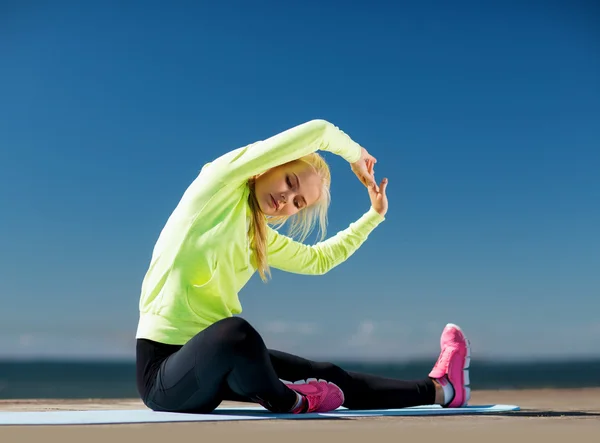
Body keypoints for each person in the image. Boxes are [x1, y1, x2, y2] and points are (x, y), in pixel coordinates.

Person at [135, 119, 471, 414]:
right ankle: (291, 401)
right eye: (290, 181)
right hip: (163, 375)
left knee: (327, 374)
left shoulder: (260, 237)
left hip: (217, 366)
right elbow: (320, 131)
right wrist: (355, 155)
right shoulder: (219, 184)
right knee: (236, 334)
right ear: (272, 164)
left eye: (298, 202)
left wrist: (373, 217)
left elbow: (319, 260)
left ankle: (443, 389)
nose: (286, 199)